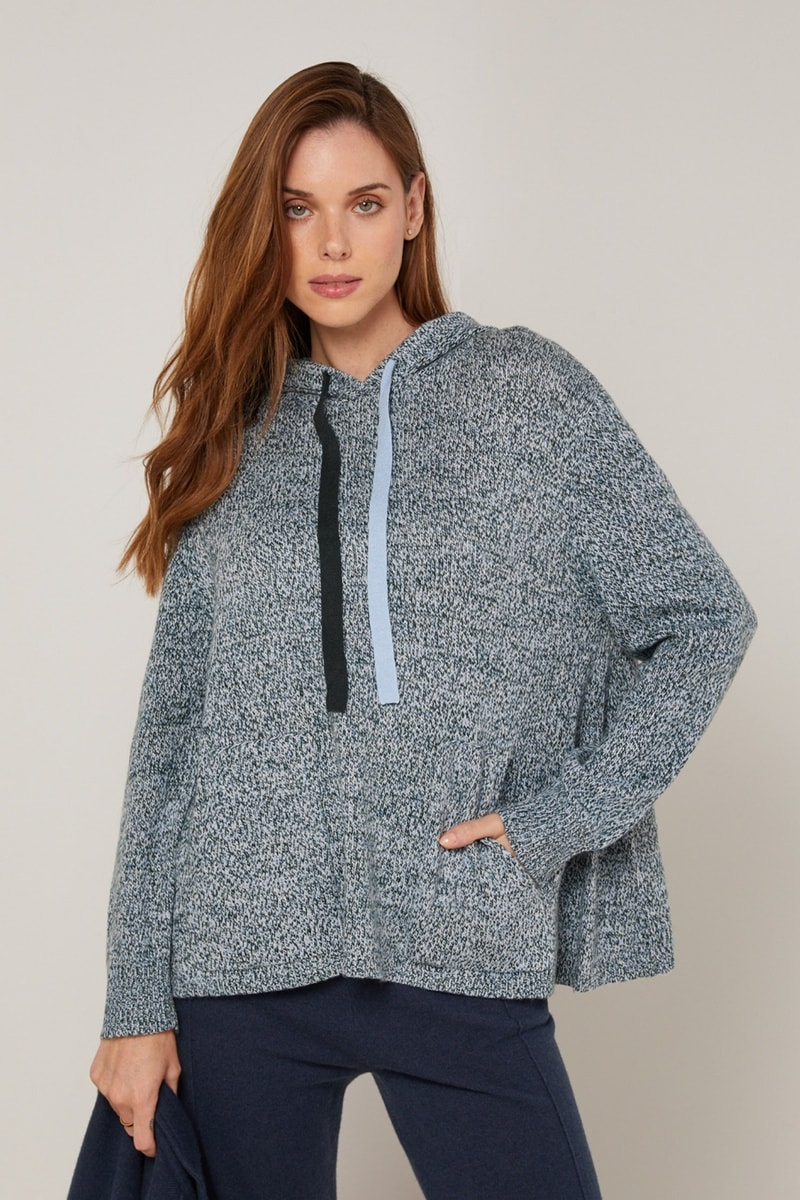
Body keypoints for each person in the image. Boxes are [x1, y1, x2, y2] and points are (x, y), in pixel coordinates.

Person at [87, 60, 757, 1200]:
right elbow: (171, 742)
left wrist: (557, 820)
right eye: (296, 209)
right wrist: (132, 1003)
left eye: (362, 203)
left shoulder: (529, 397)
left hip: (458, 937)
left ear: (413, 207)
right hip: (237, 966)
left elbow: (703, 619)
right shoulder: (230, 436)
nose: (330, 243)